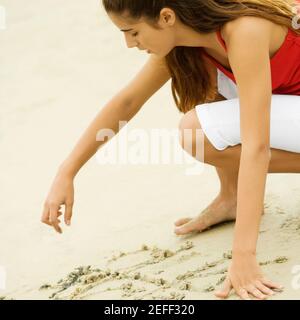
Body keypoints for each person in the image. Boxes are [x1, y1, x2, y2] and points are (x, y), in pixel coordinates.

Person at [41, 0, 300, 300]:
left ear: (166, 17)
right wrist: (67, 171)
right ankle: (231, 198)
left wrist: (244, 256)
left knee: (196, 131)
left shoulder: (243, 30)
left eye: (133, 32)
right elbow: (127, 102)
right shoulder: (187, 41)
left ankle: (236, 203)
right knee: (202, 90)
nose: (128, 43)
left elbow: (257, 145)